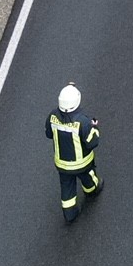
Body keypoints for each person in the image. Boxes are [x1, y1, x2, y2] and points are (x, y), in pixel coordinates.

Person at [47, 83, 103, 224]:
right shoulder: (83, 122)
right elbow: (93, 142)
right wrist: (95, 128)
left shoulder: (52, 116)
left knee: (67, 188)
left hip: (62, 165)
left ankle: (70, 213)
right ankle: (92, 190)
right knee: (89, 178)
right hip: (83, 163)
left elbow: (48, 133)